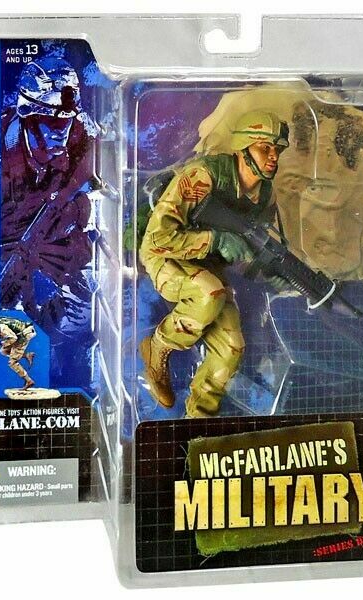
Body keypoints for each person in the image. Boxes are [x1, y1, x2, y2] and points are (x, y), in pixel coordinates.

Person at [139, 110, 290, 417]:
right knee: (208, 292)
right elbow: (157, 239)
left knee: (231, 348)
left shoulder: (265, 196)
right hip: (167, 257)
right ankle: (158, 346)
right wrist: (215, 241)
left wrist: (273, 273)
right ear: (243, 147)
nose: (273, 156)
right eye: (265, 148)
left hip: (208, 269)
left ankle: (197, 421)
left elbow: (246, 253)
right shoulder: (203, 176)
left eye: (277, 149)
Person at [0, 309, 37, 390]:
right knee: (3, 351)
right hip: (25, 331)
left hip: (24, 336)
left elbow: (13, 338)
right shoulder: (0, 319)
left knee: (12, 362)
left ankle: (29, 381)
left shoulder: (0, 326)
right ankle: (27, 355)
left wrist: (2, 343)